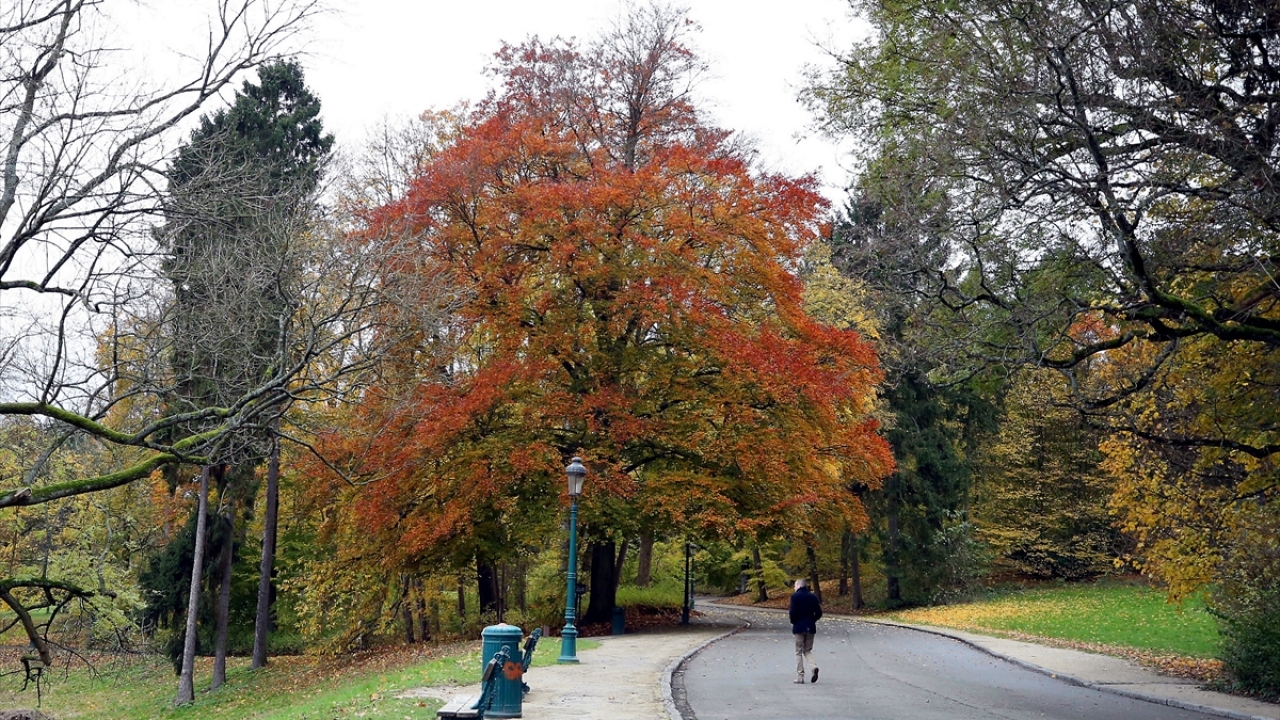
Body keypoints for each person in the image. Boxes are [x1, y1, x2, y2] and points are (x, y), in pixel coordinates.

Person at [788, 578, 822, 684]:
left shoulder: (795, 597)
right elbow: (819, 613)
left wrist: (793, 621)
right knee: (807, 650)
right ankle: (813, 667)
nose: (794, 588)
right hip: (810, 627)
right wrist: (813, 620)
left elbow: (792, 612)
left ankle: (800, 676)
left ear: (799, 585)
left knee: (798, 651)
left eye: (795, 586)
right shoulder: (813, 597)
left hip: (799, 627)